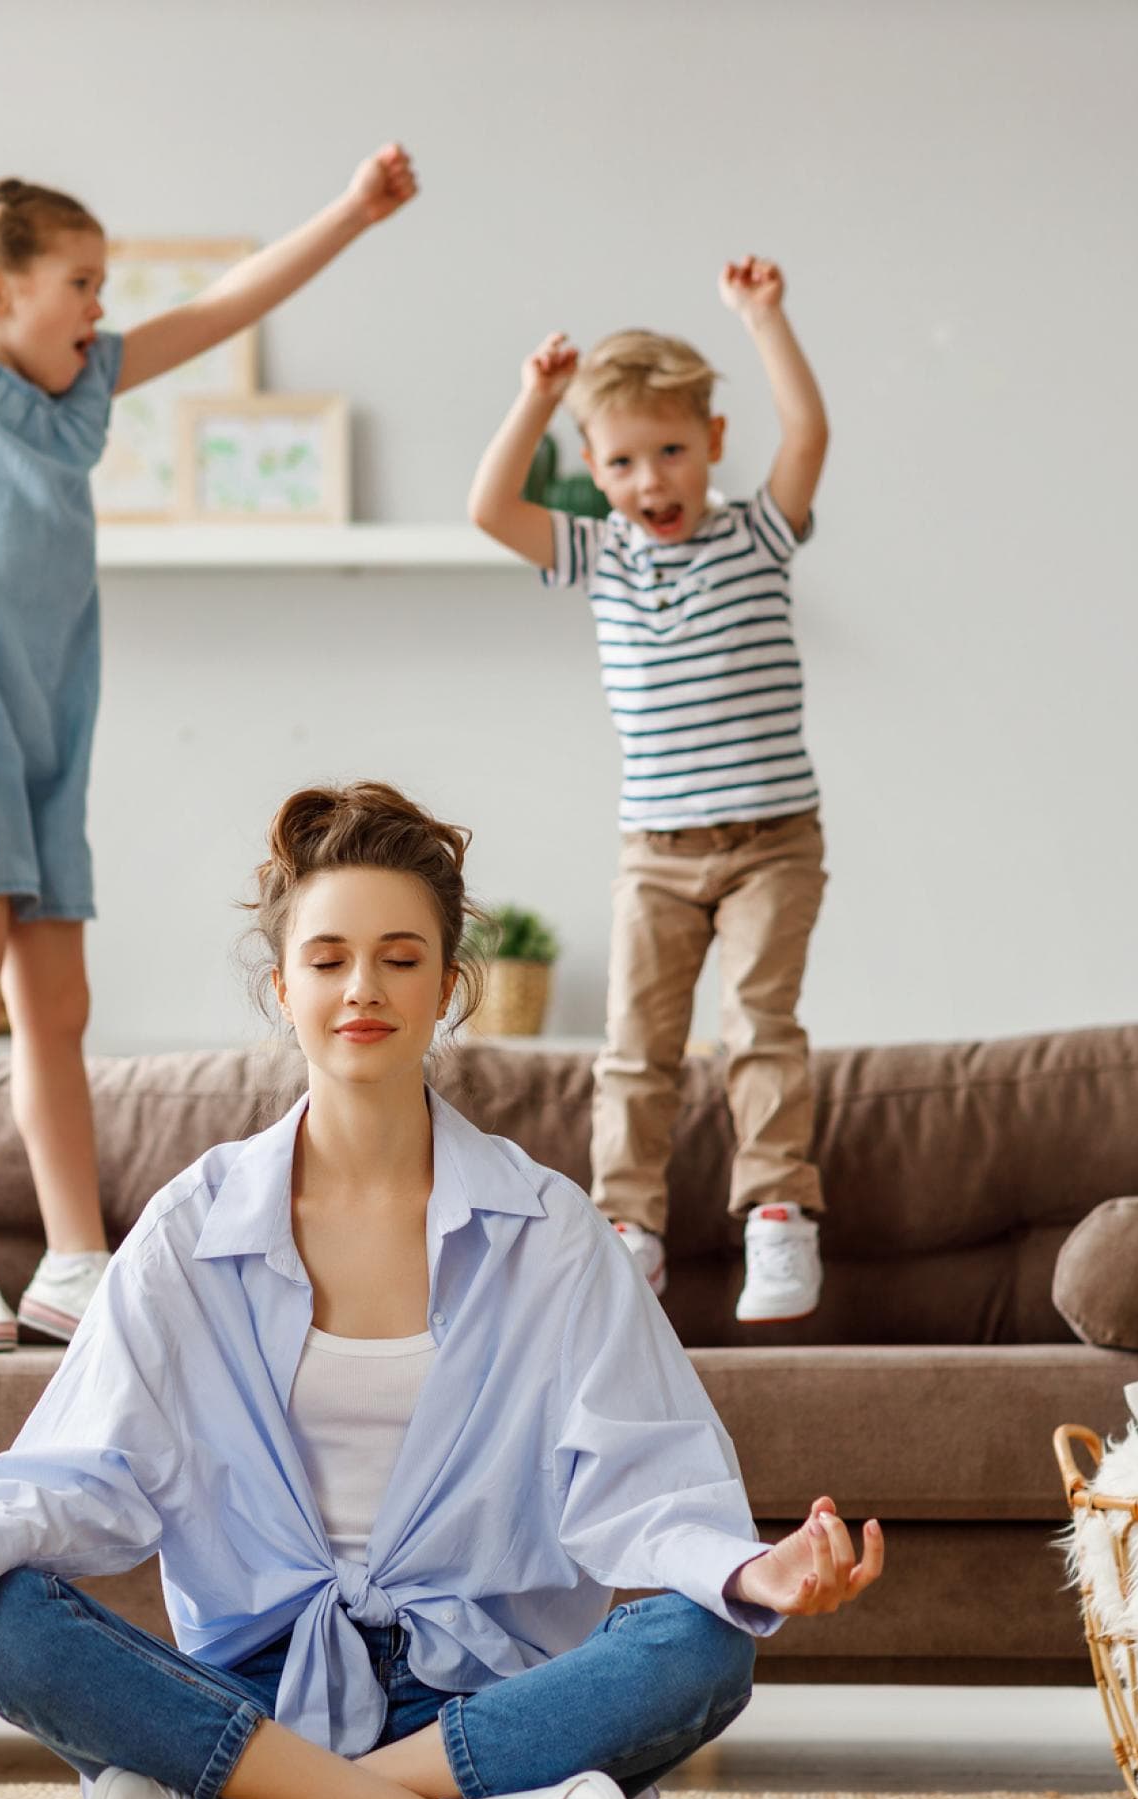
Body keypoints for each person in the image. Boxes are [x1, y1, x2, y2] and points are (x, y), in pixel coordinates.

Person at [0, 781, 882, 1799]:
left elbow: (640, 1476)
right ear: (282, 985)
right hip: (253, 1689)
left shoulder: (548, 1231)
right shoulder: (192, 1227)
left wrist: (753, 1570)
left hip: (478, 1697)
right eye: (329, 958)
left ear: (452, 987)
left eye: (402, 959)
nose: (365, 989)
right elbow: (90, 1469)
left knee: (704, 1644)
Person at [0, 7, 418, 1352]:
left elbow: (227, 305)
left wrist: (353, 212)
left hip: (52, 729)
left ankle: (74, 1256)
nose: (101, 306)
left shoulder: (83, 394)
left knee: (56, 1006)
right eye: (80, 281)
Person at [469, 258, 831, 1322]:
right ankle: (629, 1227)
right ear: (592, 466)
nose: (652, 481)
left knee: (761, 1025)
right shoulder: (600, 555)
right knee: (637, 1048)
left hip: (773, 841)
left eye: (672, 452)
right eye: (624, 462)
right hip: (656, 853)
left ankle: (775, 1214)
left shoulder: (758, 535)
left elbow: (807, 434)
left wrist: (765, 321)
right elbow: (491, 507)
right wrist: (536, 395)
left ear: (713, 444)